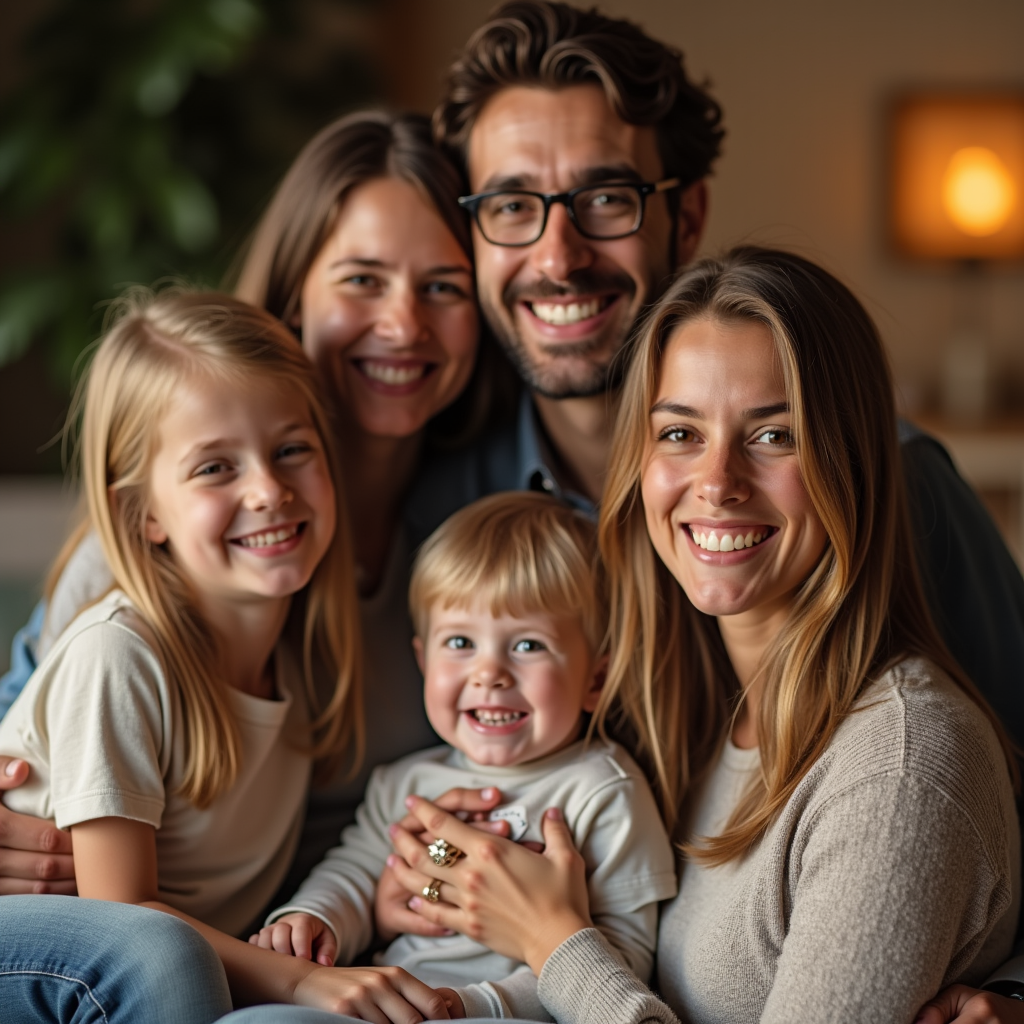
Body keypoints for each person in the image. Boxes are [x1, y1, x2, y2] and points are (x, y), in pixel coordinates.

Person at [387, 247, 1022, 1024]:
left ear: (852, 460)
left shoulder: (896, 767)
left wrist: (554, 943)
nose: (717, 481)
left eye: (774, 435)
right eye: (681, 433)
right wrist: (431, 874)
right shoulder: (679, 707)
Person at [0, 110, 510, 905]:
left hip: (328, 920)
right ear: (294, 296)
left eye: (443, 287)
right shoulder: (158, 561)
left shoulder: (483, 531)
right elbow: (39, 736)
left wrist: (428, 871)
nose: (403, 324)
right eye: (361, 280)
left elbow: (466, 801)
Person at [0, 289, 463, 1023]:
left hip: (172, 967)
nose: (269, 490)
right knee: (162, 956)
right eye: (215, 468)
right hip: (50, 955)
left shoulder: (302, 657)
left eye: (291, 450)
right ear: (145, 513)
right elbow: (120, 922)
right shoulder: (121, 657)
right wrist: (299, 981)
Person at [242, 492, 675, 1021]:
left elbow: (623, 957)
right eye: (461, 642)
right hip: (386, 1001)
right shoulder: (406, 781)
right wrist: (313, 919)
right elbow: (356, 873)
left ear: (597, 678)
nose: (488, 672)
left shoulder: (603, 790)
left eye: (528, 646)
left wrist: (477, 1005)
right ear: (424, 661)